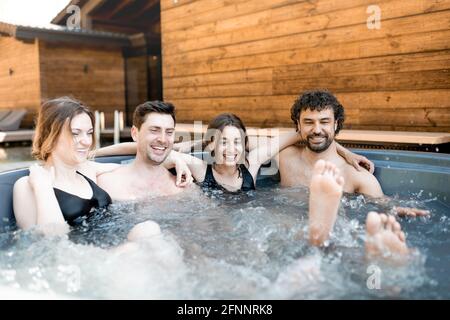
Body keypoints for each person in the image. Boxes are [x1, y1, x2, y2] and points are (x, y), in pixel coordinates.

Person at [12, 97, 191, 236]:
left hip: (108, 252)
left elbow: (140, 154)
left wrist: (174, 156)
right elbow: (50, 245)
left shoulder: (87, 170)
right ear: (51, 134)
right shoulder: (27, 185)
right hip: (78, 265)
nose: (86, 141)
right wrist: (43, 188)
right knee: (148, 231)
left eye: (89, 133)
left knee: (147, 230)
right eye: (75, 133)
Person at [96, 111, 371, 193]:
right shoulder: (198, 168)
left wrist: (345, 153)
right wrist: (97, 153)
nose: (231, 149)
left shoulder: (251, 166)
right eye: (224, 142)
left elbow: (304, 132)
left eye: (237, 142)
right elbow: (148, 149)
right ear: (212, 144)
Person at [278, 90, 429, 217]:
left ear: (336, 124)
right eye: (308, 122)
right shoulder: (285, 157)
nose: (317, 130)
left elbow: (384, 205)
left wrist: (394, 209)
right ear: (298, 125)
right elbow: (256, 143)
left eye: (324, 122)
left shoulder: (356, 176)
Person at [307, 159, 410, 260]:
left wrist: (394, 207)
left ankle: (318, 239)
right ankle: (384, 261)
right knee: (371, 269)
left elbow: (383, 201)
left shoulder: (358, 176)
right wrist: (345, 152)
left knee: (308, 261)